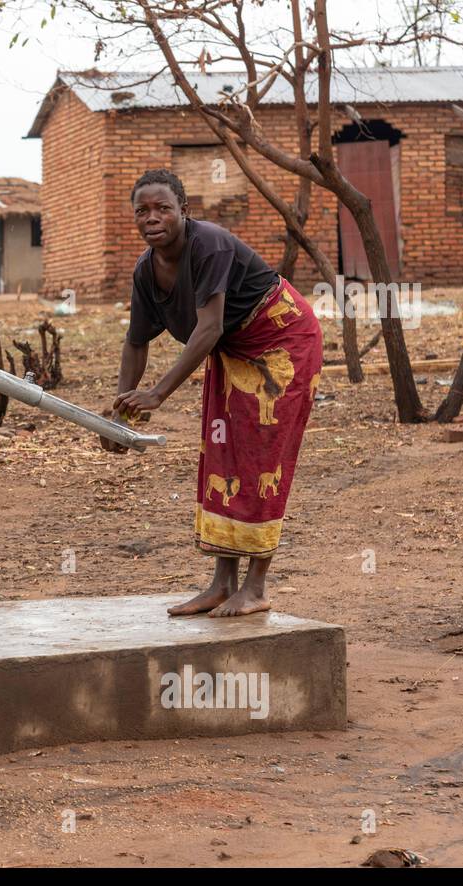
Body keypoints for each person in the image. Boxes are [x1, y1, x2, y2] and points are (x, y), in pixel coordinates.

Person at [101, 169, 323, 617]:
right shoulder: (146, 269)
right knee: (222, 456)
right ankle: (222, 584)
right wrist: (121, 412)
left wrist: (158, 395)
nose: (152, 217)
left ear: (184, 210)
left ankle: (256, 588)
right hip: (230, 349)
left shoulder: (210, 245)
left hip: (282, 341)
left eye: (163, 207)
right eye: (142, 211)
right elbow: (136, 340)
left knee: (263, 460)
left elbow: (209, 325)